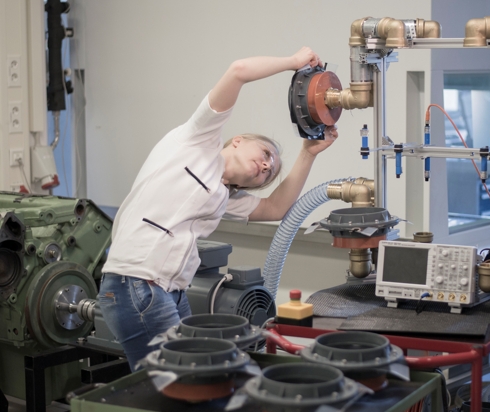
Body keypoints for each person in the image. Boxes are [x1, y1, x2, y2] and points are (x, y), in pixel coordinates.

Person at [97, 47, 337, 370]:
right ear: (237, 140)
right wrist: (292, 63)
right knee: (174, 392)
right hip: (137, 282)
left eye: (269, 171)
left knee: (189, 388)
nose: (266, 165)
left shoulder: (224, 196)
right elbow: (238, 70)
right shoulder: (198, 140)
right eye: (265, 154)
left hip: (168, 291)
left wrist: (309, 153)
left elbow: (277, 206)